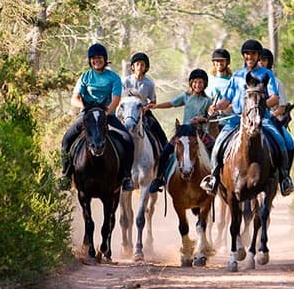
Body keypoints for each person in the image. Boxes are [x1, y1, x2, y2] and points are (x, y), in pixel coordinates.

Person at [200, 39, 294, 196]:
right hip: (237, 119)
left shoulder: (266, 74)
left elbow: (275, 98)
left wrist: (259, 107)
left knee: (285, 142)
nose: (250, 56)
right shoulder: (237, 76)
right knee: (218, 145)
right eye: (247, 54)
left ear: (258, 56)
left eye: (253, 54)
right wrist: (216, 107)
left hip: (262, 119)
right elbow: (227, 99)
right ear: (244, 56)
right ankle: (214, 178)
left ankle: (285, 178)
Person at [60, 43, 134, 191]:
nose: (96, 61)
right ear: (90, 60)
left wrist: (106, 112)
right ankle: (66, 174)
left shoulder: (113, 77)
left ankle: (126, 176)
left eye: (99, 58)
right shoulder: (85, 76)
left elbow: (116, 99)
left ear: (105, 59)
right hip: (87, 116)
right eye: (93, 58)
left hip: (107, 115)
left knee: (128, 139)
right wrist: (86, 108)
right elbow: (74, 99)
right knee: (66, 140)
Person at [148, 69, 212, 193]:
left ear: (205, 84)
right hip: (184, 132)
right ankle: (158, 179)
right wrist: (156, 106)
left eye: (200, 82)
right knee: (165, 152)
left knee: (214, 148)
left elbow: (209, 118)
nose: (197, 85)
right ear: (191, 83)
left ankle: (214, 178)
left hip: (199, 133)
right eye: (195, 82)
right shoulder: (186, 96)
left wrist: (201, 119)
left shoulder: (207, 100)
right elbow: (172, 103)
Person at [258, 48, 294, 196]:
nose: (261, 62)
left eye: (264, 60)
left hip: (271, 120)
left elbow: (282, 107)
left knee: (288, 142)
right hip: (250, 119)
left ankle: (285, 177)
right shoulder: (249, 79)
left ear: (269, 62)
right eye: (259, 60)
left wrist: (271, 115)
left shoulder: (277, 82)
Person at [122, 52, 168, 146]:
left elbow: (153, 101)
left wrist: (146, 108)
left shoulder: (149, 83)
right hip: (128, 112)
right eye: (137, 64)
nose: (140, 66)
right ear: (133, 67)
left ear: (146, 68)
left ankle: (163, 150)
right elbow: (122, 98)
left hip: (143, 111)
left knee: (158, 131)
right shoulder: (126, 81)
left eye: (142, 64)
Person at [205, 48, 233, 133]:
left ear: (227, 62)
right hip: (208, 121)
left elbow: (235, 101)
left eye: (222, 61)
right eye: (217, 61)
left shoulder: (232, 81)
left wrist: (225, 109)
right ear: (213, 62)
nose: (219, 63)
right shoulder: (207, 79)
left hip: (227, 122)